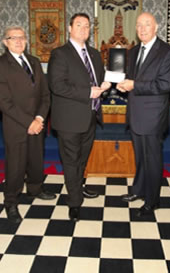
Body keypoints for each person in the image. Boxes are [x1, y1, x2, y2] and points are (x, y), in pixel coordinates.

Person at [48, 13, 111, 221]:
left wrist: (106, 84)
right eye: (79, 25)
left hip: (90, 116)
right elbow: (57, 86)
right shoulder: (60, 54)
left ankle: (78, 187)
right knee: (71, 161)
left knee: (82, 159)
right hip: (69, 119)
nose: (83, 29)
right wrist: (87, 92)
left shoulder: (93, 54)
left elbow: (99, 80)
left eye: (86, 26)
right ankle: (74, 202)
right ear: (69, 28)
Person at [0, 26, 56, 223]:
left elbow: (45, 95)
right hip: (15, 125)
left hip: (37, 122)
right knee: (15, 165)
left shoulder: (34, 62)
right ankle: (10, 202)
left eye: (22, 37)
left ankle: (35, 189)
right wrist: (29, 122)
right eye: (13, 38)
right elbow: (4, 102)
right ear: (5, 42)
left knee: (36, 159)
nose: (18, 41)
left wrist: (39, 119)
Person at [117, 12, 170, 217]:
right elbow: (130, 78)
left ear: (156, 27)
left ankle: (153, 200)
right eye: (139, 25)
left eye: (147, 24)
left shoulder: (167, 52)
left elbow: (165, 85)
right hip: (135, 114)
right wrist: (124, 85)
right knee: (140, 157)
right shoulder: (133, 51)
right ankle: (139, 190)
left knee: (152, 160)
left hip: (153, 116)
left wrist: (134, 85)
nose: (142, 29)